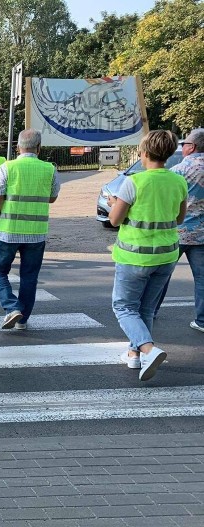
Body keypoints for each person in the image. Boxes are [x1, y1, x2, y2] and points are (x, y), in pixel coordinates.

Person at [108, 130, 188, 381]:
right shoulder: (179, 181)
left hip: (135, 256)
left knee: (123, 307)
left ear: (144, 153)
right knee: (147, 307)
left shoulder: (134, 182)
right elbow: (179, 218)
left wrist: (114, 204)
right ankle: (134, 355)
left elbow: (114, 220)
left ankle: (148, 349)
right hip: (166, 255)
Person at [0, 129, 60, 330]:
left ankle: (11, 308)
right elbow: (52, 197)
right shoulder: (50, 169)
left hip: (7, 232)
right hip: (36, 233)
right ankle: (23, 319)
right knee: (29, 276)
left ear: (17, 147)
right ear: (39, 148)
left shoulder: (6, 168)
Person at [153, 128, 204, 332]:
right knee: (202, 279)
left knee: (161, 275)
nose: (182, 148)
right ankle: (202, 321)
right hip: (201, 234)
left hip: (177, 231)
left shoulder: (178, 171)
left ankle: (151, 310)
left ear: (192, 147)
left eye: (184, 145)